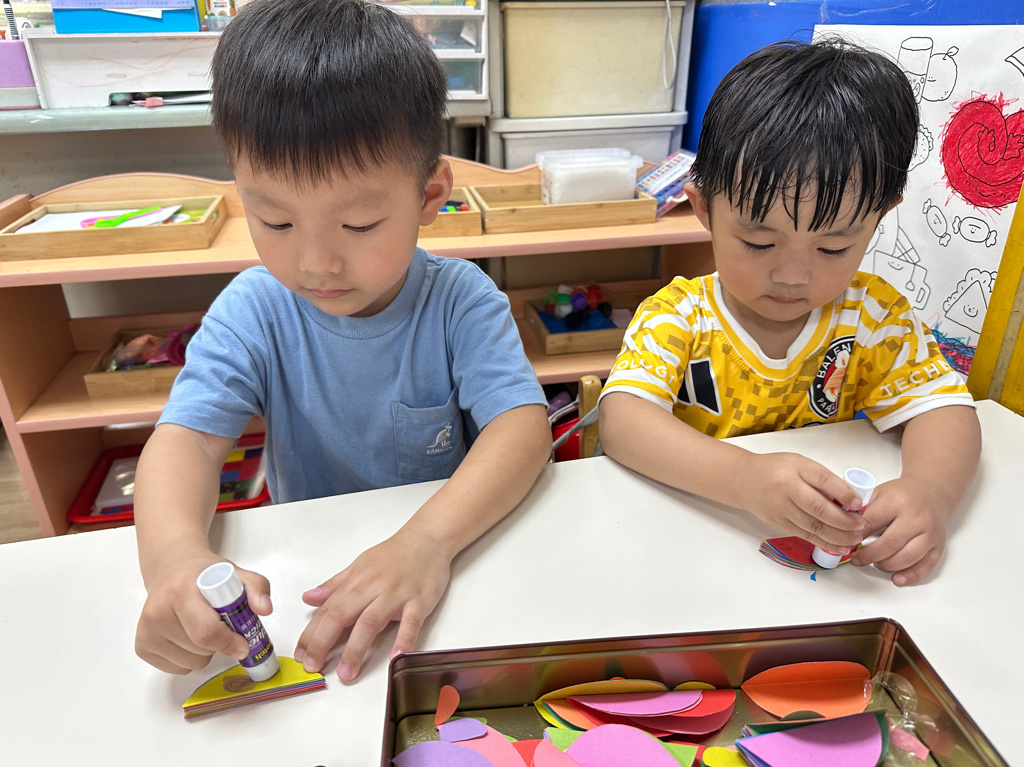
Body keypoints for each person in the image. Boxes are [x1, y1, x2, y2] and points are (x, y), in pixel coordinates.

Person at [133, 0, 551, 682]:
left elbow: (522, 428)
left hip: (449, 562)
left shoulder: (459, 300)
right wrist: (174, 561)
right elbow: (186, 442)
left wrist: (428, 541)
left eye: (358, 225)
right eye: (275, 222)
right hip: (308, 576)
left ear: (429, 196)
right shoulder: (255, 309)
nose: (316, 264)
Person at [598, 39, 981, 587]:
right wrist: (742, 478)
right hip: (685, 556)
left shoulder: (874, 317)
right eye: (758, 242)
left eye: (833, 248)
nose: (793, 276)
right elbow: (622, 421)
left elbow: (945, 410)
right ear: (704, 208)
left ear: (878, 219)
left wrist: (931, 492)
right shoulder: (679, 315)